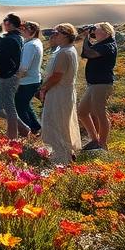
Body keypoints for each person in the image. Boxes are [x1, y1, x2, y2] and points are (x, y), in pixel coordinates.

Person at [39, 23, 81, 166]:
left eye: (56, 33)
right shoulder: (67, 49)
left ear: (65, 35)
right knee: (62, 122)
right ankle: (67, 153)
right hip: (64, 91)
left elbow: (57, 75)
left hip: (59, 92)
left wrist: (44, 88)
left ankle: (61, 157)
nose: (53, 36)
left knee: (55, 122)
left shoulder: (64, 52)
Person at [78, 22, 117, 151]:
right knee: (82, 111)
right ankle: (95, 140)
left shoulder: (108, 45)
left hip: (102, 84)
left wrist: (86, 37)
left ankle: (102, 143)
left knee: (99, 113)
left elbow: (88, 53)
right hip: (94, 84)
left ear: (106, 32)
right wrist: (88, 37)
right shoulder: (101, 45)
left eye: (97, 29)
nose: (94, 32)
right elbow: (85, 53)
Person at [0, 13, 25, 139]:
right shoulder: (17, 37)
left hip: (7, 76)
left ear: (11, 24)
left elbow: (2, 58)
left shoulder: (9, 39)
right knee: (0, 107)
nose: (4, 23)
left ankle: (13, 137)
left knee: (6, 107)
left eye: (6, 21)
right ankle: (22, 128)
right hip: (8, 76)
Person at [15, 21, 44, 136]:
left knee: (19, 107)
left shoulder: (30, 45)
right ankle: (35, 127)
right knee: (25, 105)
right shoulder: (36, 42)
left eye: (23, 29)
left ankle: (27, 131)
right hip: (33, 80)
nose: (21, 31)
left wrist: (16, 78)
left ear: (31, 31)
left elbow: (24, 67)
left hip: (27, 82)